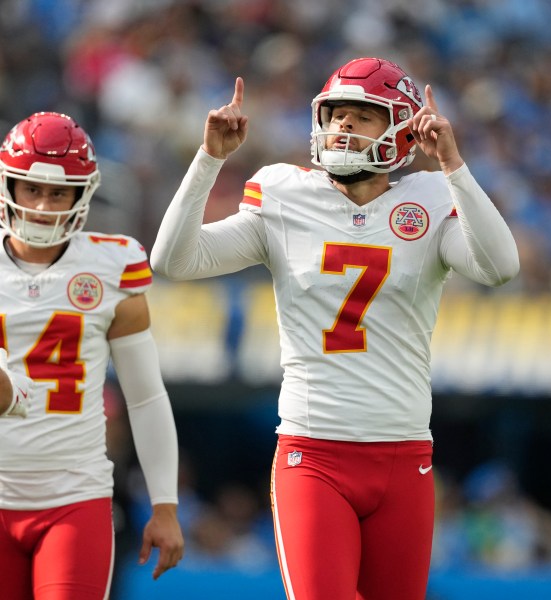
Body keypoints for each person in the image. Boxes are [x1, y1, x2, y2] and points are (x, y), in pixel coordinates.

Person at [151, 57, 520, 600]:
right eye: (335, 114)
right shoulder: (284, 193)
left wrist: (454, 167)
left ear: (399, 127)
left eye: (361, 116)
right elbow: (174, 260)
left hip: (404, 455)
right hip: (313, 452)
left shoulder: (430, 196)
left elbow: (500, 266)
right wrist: (208, 161)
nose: (342, 126)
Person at [0, 112, 184, 599]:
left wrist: (164, 504)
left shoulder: (110, 264)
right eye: (33, 189)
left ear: (82, 195)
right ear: (9, 187)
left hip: (74, 497)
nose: (43, 205)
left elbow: (145, 397)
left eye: (59, 192)